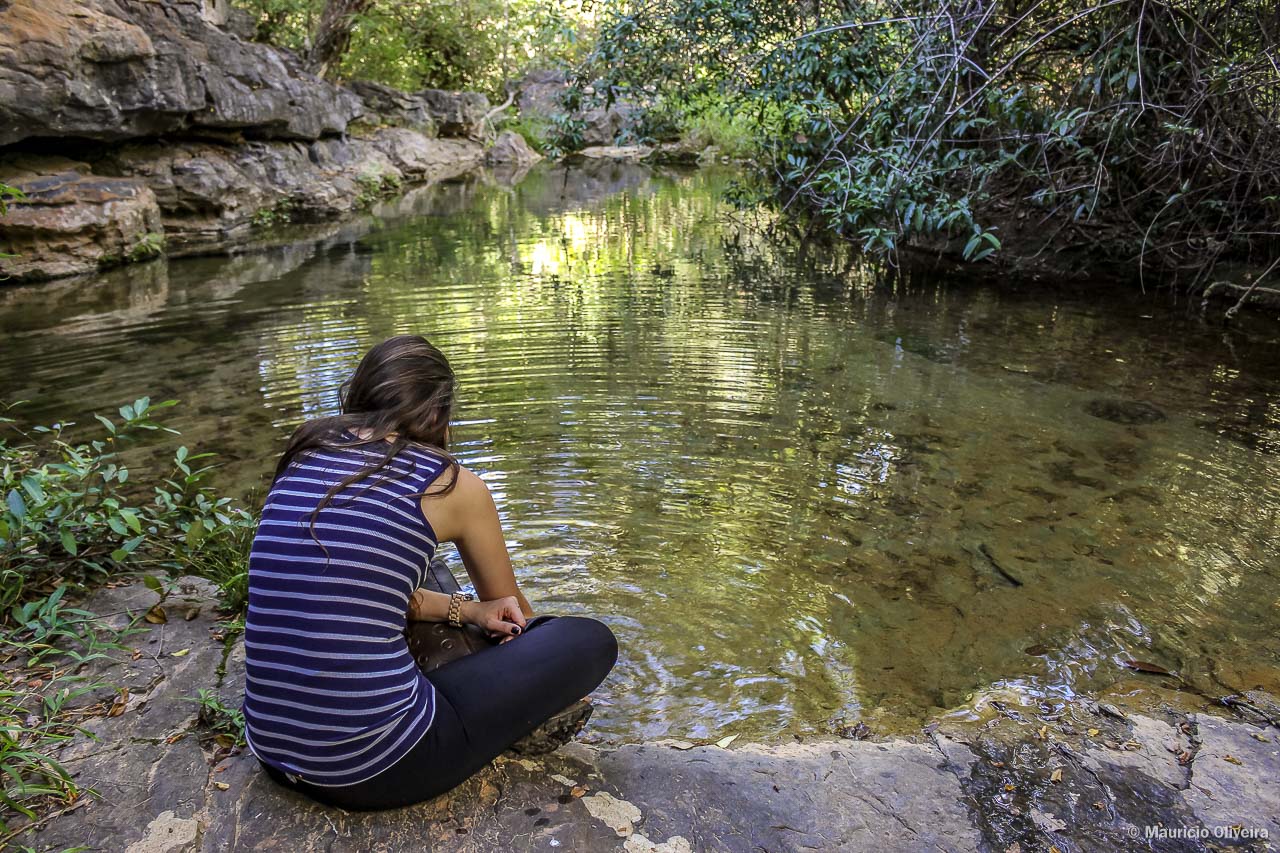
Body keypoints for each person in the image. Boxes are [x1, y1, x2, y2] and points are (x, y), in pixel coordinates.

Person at [242, 334, 618, 811]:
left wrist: (470, 612)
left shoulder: (307, 450)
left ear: (357, 398)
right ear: (440, 413)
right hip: (370, 768)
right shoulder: (452, 486)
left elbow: (356, 590)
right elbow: (516, 615)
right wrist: (516, 643)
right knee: (588, 640)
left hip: (272, 749)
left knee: (431, 574)